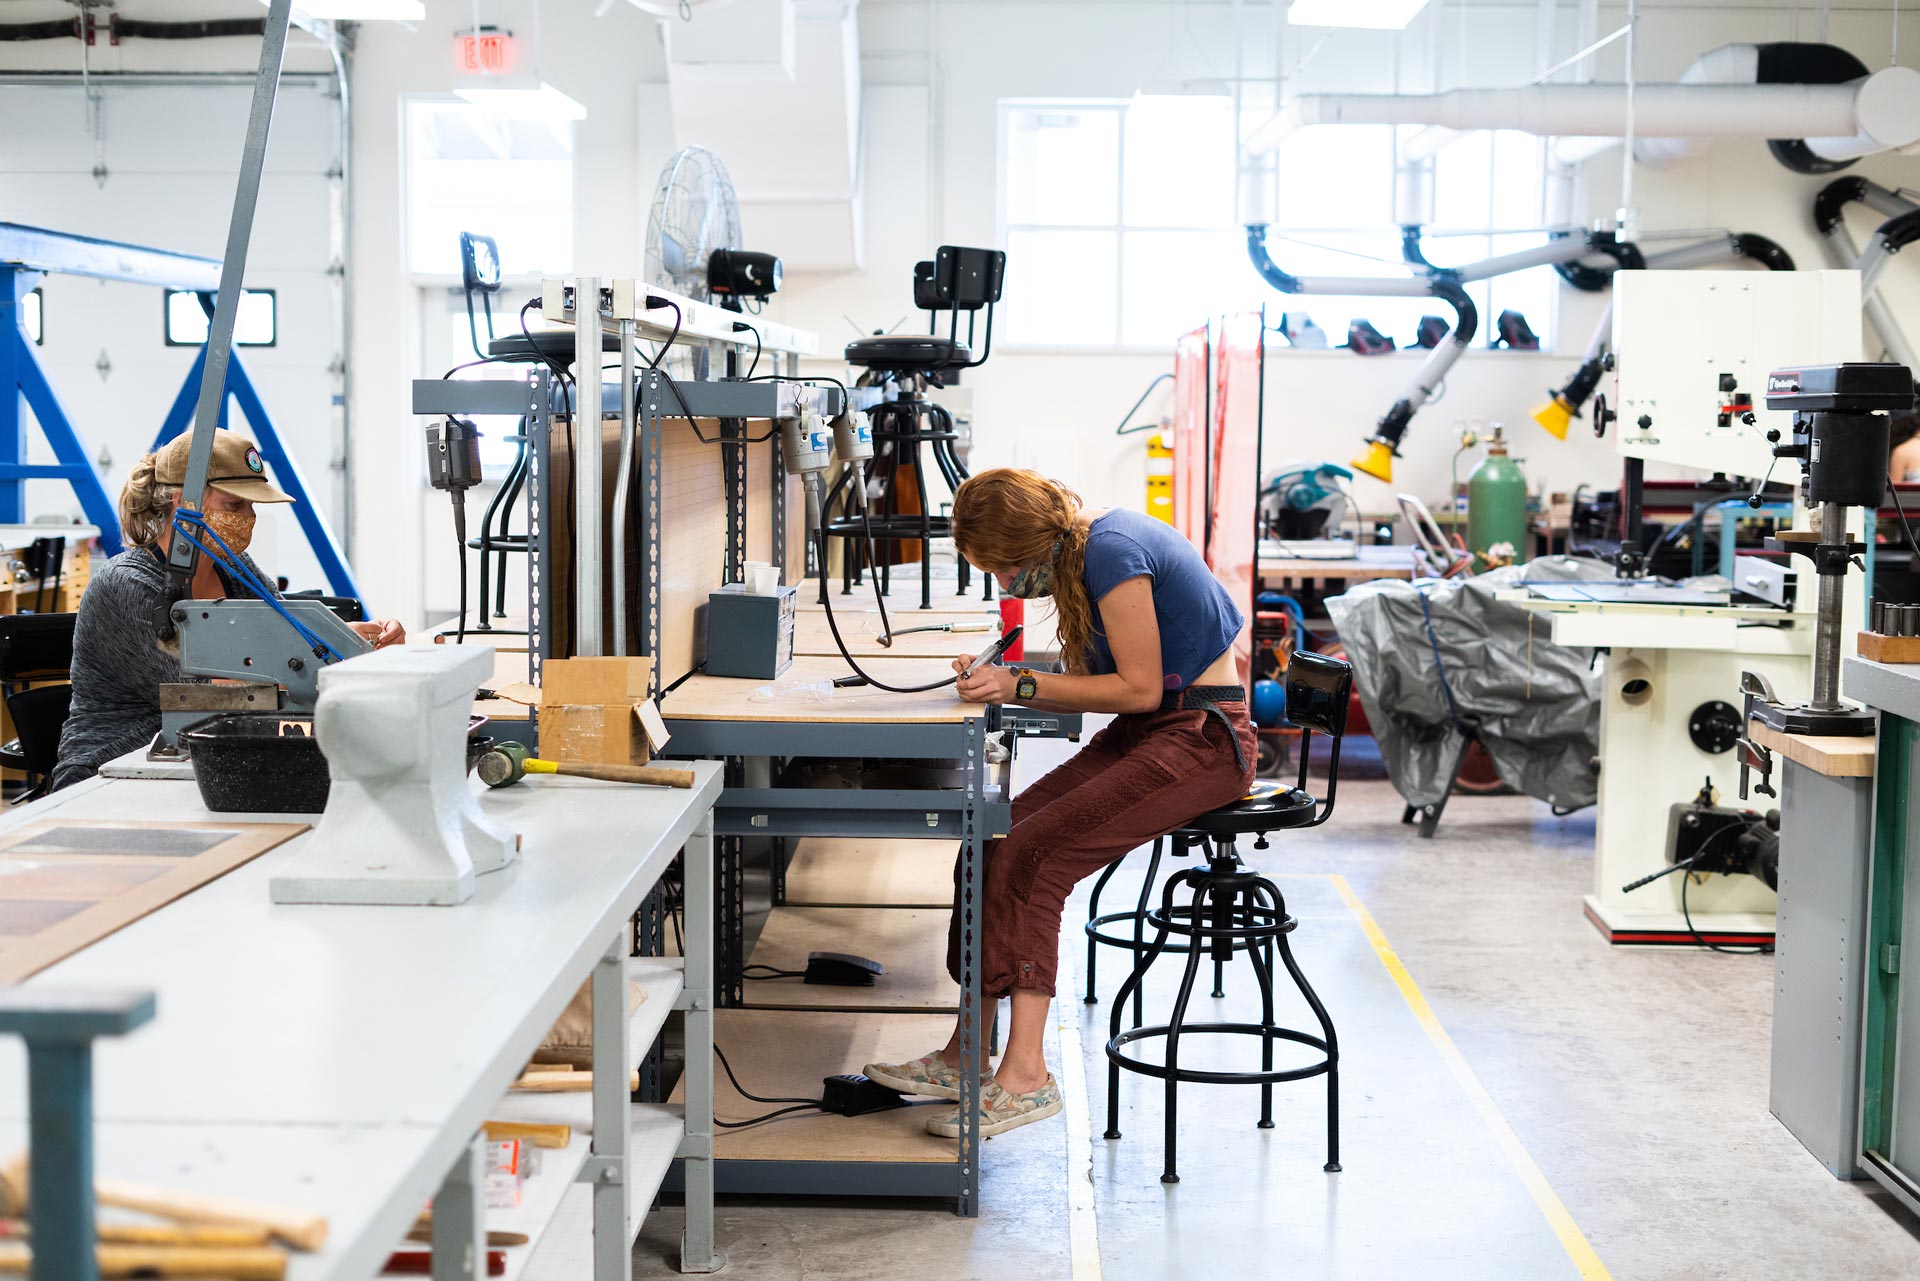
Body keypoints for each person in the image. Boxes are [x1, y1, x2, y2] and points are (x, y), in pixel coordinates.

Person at [865, 467, 1256, 1139]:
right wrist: (1008, 678)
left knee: (1036, 856)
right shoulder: (1082, 556)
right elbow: (1120, 688)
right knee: (990, 837)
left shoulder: (1111, 550)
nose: (1003, 583)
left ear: (1027, 543)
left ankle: (1026, 1077)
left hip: (1204, 740)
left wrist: (1017, 684)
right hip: (1156, 730)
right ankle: (966, 1053)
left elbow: (1135, 688)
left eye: (1001, 567)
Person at [51, 430, 404, 790]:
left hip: (205, 756)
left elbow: (294, 638)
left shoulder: (236, 569)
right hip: (111, 770)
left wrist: (352, 641)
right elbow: (202, 692)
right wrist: (329, 661)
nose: (248, 518)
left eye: (252, 506)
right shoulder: (125, 586)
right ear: (182, 503)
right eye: (234, 505)